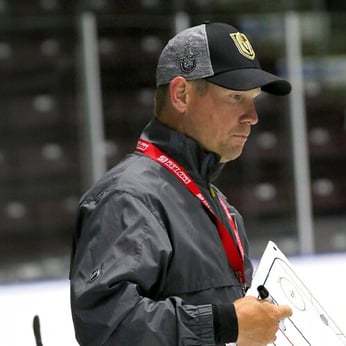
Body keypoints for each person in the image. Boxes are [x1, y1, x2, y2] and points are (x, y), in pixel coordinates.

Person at [70, 22, 292, 346]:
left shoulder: (217, 205)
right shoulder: (128, 198)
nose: (252, 116)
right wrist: (226, 323)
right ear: (181, 95)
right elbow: (107, 327)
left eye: (253, 99)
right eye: (235, 97)